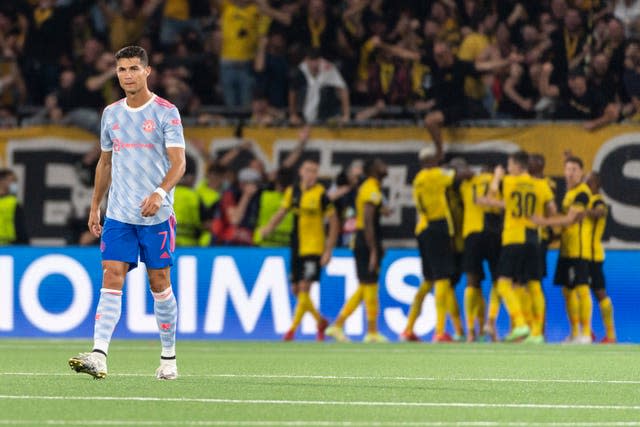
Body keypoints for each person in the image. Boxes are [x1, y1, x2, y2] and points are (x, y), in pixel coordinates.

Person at [68, 45, 186, 380]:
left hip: (156, 216)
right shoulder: (111, 114)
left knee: (159, 282)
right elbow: (105, 162)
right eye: (122, 70)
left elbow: (179, 163)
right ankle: (99, 355)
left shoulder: (166, 112)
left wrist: (160, 193)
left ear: (148, 71)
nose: (128, 75)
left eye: (134, 68)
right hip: (119, 214)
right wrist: (95, 205)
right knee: (111, 276)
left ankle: (168, 359)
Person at [260, 159, 339, 341]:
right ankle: (320, 321)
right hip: (297, 245)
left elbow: (334, 222)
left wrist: (328, 250)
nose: (310, 174)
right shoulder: (293, 192)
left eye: (314, 171)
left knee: (304, 287)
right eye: (307, 170)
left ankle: (291, 331)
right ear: (301, 172)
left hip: (314, 247)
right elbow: (282, 212)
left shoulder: (321, 195)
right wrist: (268, 228)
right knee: (295, 289)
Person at [482, 151, 555, 342]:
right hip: (533, 238)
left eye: (509, 164)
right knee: (533, 284)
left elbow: (490, 198)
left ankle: (520, 323)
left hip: (513, 237)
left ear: (517, 165)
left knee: (503, 283)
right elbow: (552, 211)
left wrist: (497, 177)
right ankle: (537, 333)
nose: (507, 168)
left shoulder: (509, 181)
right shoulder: (541, 185)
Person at [400, 145, 467, 343]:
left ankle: (408, 328)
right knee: (443, 279)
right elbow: (459, 176)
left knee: (428, 280)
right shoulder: (436, 175)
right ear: (432, 161)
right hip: (437, 226)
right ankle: (439, 331)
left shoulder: (419, 178)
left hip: (422, 228)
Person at [531, 156, 593, 344]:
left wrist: (542, 222)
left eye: (575, 169)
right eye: (568, 169)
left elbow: (569, 220)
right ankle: (574, 333)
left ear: (581, 173)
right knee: (567, 291)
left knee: (582, 289)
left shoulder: (583, 193)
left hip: (579, 250)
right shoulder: (568, 194)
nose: (570, 173)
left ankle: (586, 333)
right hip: (566, 249)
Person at [326, 158, 388, 343]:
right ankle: (370, 331)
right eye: (381, 165)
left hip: (364, 239)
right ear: (373, 170)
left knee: (366, 286)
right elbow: (368, 222)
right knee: (369, 285)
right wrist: (374, 250)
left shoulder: (371, 187)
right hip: (366, 239)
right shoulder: (370, 188)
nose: (386, 168)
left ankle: (340, 325)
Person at [459, 164, 502, 342]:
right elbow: (501, 208)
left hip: (471, 234)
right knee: (499, 280)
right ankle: (490, 324)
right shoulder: (498, 182)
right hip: (493, 233)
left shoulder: (466, 184)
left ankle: (470, 331)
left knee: (472, 282)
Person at [584, 172, 616, 343]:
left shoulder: (597, 200)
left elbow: (600, 212)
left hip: (592, 255)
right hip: (581, 253)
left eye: (589, 182)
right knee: (580, 292)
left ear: (597, 185)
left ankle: (610, 336)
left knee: (599, 293)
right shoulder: (584, 200)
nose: (586, 184)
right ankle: (587, 332)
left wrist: (582, 211)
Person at [0, 168, 28, 245]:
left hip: (8, 246)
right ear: (2, 181)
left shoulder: (13, 203)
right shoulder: (13, 203)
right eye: (13, 181)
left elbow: (20, 227)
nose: (15, 184)